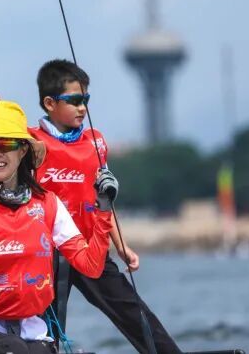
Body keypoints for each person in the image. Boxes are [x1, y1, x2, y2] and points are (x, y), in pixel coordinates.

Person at [30, 59, 182, 353]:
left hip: (91, 246)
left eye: (85, 100)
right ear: (49, 103)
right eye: (74, 101)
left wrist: (121, 245)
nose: (82, 108)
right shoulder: (30, 142)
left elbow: (103, 200)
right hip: (47, 254)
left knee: (134, 312)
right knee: (43, 330)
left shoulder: (96, 142)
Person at [0, 101, 113, 354]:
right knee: (15, 349)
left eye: (6, 145)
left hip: (32, 331)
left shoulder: (48, 204)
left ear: (22, 151)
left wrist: (103, 209)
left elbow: (91, 266)